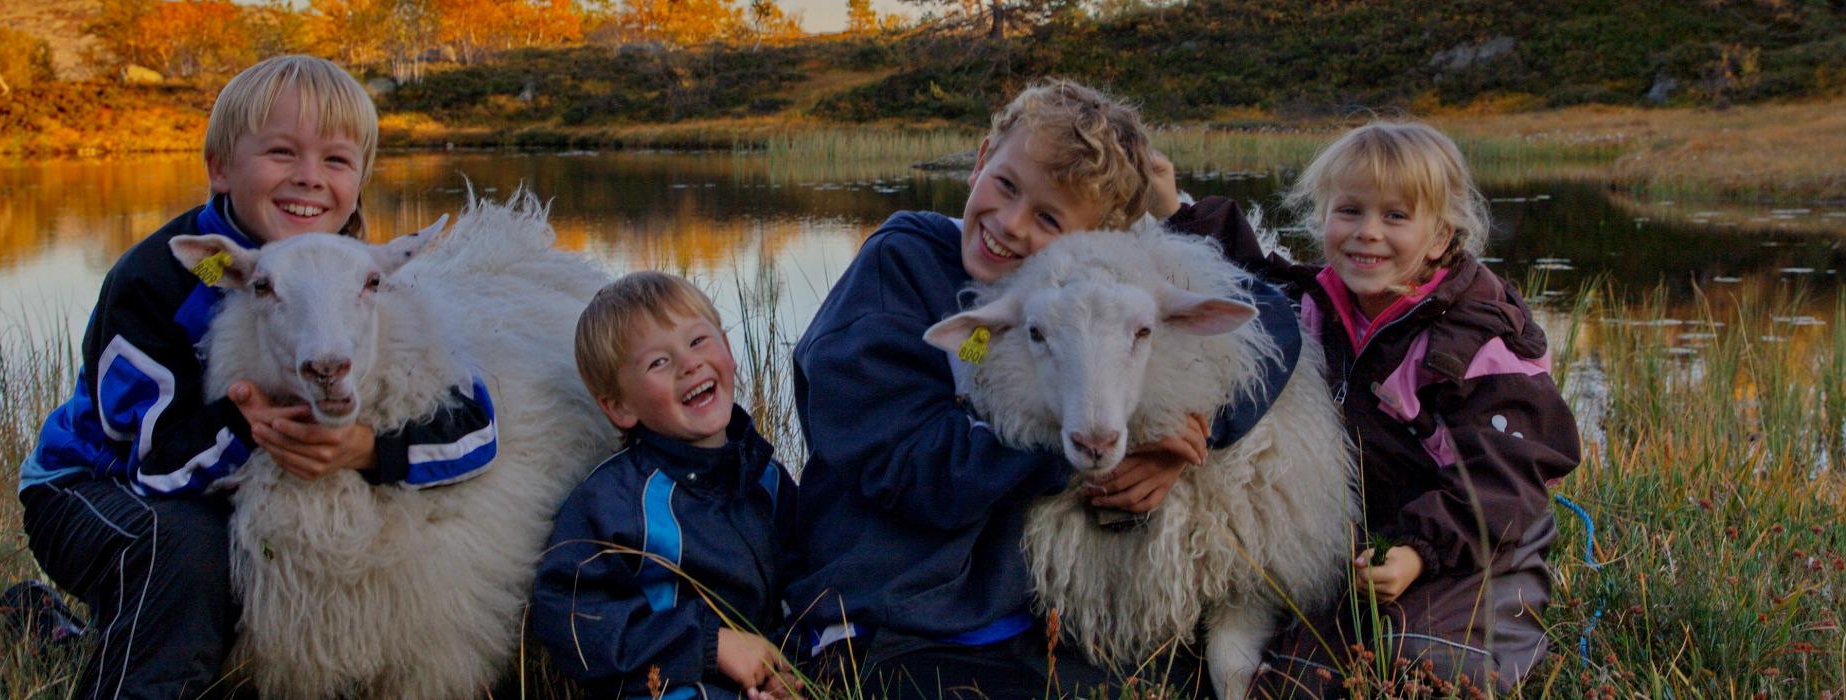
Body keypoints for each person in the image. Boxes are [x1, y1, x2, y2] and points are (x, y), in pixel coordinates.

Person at [787, 78, 1303, 698]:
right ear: (981, 157)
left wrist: (1193, 432)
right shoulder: (899, 272)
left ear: (1096, 239)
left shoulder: (1070, 289)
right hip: (892, 615)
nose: (1009, 224)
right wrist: (1083, 445)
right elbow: (913, 468)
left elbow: (1269, 313)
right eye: (1005, 185)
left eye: (1049, 218)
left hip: (1025, 620)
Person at [14, 55, 498, 699]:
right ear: (220, 167)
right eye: (280, 152)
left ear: (360, 180)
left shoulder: (351, 271)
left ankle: (87, 635)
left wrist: (368, 449)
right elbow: (153, 466)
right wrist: (243, 425)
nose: (308, 178)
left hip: (218, 472)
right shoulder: (157, 280)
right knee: (185, 547)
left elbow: (475, 424)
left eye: (335, 160)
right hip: (96, 486)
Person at [1195, 122, 1580, 694]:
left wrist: (1420, 553)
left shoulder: (1479, 338)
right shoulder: (1314, 307)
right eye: (1349, 210)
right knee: (1298, 680)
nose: (1367, 233)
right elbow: (1246, 270)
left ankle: (1509, 624)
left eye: (1396, 217)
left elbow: (1506, 479)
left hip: (1475, 540)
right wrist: (1165, 203)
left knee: (1424, 667)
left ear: (1440, 237)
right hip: (1365, 542)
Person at [533, 271, 801, 700]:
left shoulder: (767, 479)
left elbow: (804, 583)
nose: (689, 364)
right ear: (620, 406)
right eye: (658, 362)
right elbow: (571, 622)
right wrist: (712, 647)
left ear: (729, 350)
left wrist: (788, 668)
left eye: (697, 342)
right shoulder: (613, 503)